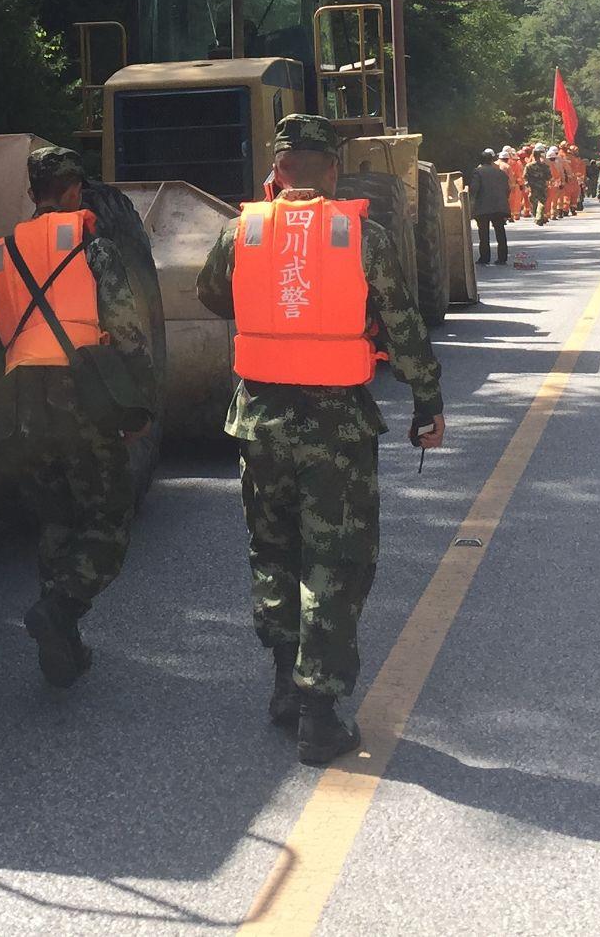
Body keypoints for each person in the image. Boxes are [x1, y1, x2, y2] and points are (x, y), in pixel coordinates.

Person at [196, 114, 444, 766]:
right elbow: (400, 321)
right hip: (335, 428)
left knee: (273, 552)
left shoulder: (239, 229)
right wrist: (426, 400)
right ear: (333, 170)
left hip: (259, 423)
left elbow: (212, 296)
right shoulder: (361, 231)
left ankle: (285, 683)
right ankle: (317, 712)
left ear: (276, 172)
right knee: (335, 563)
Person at [0, 146, 159, 687]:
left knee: (56, 519)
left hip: (21, 402)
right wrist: (139, 400)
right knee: (108, 521)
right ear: (77, 190)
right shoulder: (94, 246)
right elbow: (126, 330)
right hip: (79, 391)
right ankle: (60, 610)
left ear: (33, 194)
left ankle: (64, 645)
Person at [469, 147, 511, 265]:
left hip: (483, 208)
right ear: (492, 160)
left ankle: (484, 258)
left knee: (484, 234)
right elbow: (507, 189)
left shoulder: (478, 172)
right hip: (499, 207)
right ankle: (502, 258)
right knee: (500, 232)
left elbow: (474, 189)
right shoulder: (501, 173)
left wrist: (472, 203)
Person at [525, 147, 554, 226]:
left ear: (533, 156)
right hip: (542, 186)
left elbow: (525, 177)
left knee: (534, 202)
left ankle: (538, 217)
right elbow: (549, 177)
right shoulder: (545, 166)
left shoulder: (528, 166)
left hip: (532, 187)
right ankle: (538, 217)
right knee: (541, 202)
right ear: (540, 156)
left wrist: (527, 186)